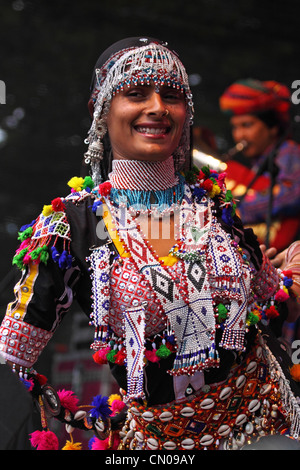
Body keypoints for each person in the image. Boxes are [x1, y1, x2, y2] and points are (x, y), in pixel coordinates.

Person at [0, 37, 300, 452]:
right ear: (100, 112)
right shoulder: (69, 226)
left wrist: (293, 271)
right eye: (136, 93)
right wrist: (73, 414)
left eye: (172, 96)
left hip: (271, 423)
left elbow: (274, 301)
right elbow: (12, 354)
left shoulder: (213, 203)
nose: (157, 107)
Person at [219, 78, 300, 253]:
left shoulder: (289, 152)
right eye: (235, 127)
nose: (239, 135)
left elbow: (294, 193)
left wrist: (239, 211)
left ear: (273, 128)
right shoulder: (259, 163)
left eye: (247, 125)